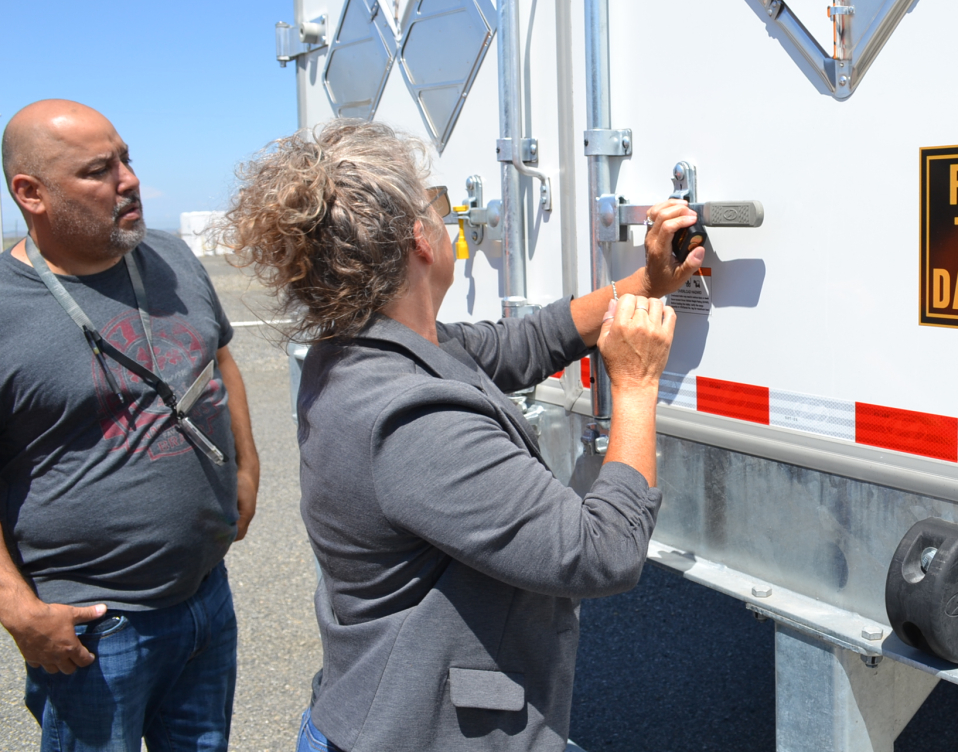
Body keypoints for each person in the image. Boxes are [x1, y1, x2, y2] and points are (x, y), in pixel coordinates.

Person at [221, 120, 705, 752]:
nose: (448, 219)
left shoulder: (369, 351)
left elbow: (526, 343)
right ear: (417, 239)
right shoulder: (406, 416)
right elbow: (602, 552)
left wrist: (645, 284)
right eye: (437, 205)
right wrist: (637, 384)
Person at [0, 100, 260, 751]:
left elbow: (218, 356)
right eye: (98, 170)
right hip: (92, 631)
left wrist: (248, 474)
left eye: (127, 158)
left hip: (205, 598)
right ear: (29, 193)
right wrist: (19, 610)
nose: (129, 180)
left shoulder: (170, 258)